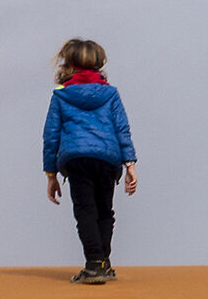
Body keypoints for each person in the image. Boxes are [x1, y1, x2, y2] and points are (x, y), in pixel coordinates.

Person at [41, 39, 138, 285]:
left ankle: (95, 264)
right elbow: (122, 129)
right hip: (107, 158)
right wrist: (130, 163)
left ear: (68, 64)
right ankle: (102, 263)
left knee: (85, 210)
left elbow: (51, 135)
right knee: (105, 211)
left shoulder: (61, 96)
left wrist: (51, 174)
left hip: (77, 159)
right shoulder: (110, 93)